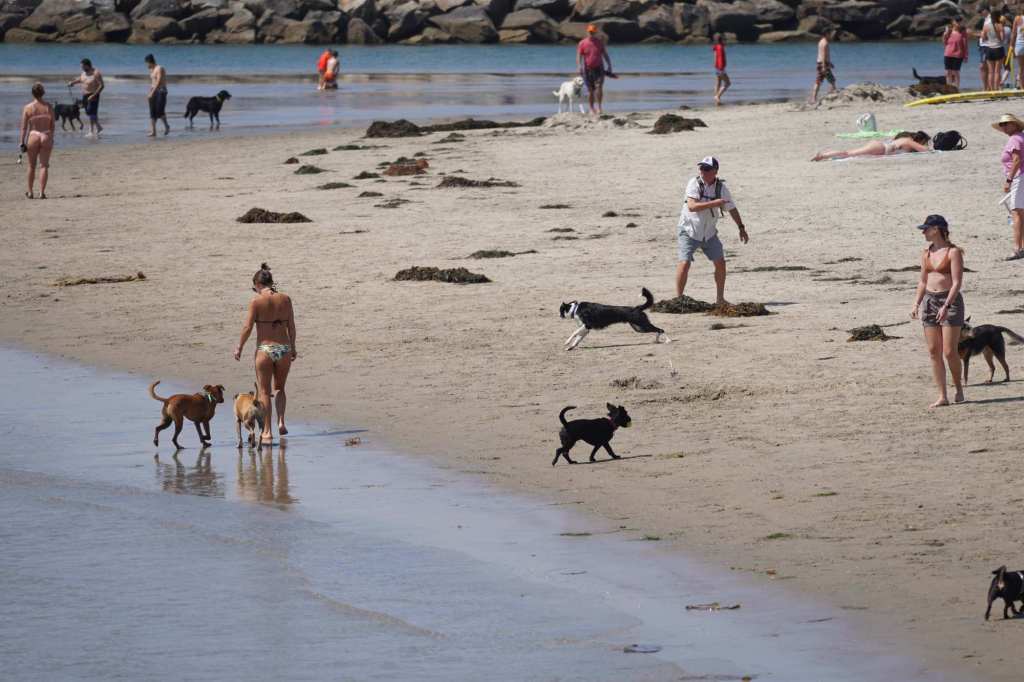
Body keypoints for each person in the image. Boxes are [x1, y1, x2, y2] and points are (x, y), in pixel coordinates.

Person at [234, 263, 298, 445]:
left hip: (265, 349)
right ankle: (281, 421)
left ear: (257, 284)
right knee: (280, 388)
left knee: (264, 392)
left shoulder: (256, 301)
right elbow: (291, 326)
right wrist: (293, 347)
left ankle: (267, 432)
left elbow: (247, 327)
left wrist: (239, 347)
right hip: (283, 349)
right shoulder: (285, 299)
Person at [675, 156, 749, 305]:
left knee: (720, 263)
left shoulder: (721, 188)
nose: (702, 171)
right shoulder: (694, 183)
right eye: (701, 168)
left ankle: (720, 299)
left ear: (715, 171)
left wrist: (741, 227)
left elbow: (732, 209)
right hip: (689, 230)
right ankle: (679, 299)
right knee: (685, 263)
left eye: (706, 169)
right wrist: (714, 203)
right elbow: (692, 206)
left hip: (709, 233)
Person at [910, 214, 965, 408]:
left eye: (926, 229)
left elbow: (957, 283)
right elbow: (922, 281)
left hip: (950, 302)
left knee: (949, 351)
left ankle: (958, 388)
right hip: (929, 301)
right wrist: (916, 303)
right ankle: (942, 395)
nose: (923, 232)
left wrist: (946, 306)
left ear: (936, 229)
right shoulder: (926, 252)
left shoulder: (953, 252)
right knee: (934, 351)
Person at [994, 113, 1024, 259]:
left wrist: (1009, 180)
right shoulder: (1020, 137)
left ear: (1015, 124)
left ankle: (1018, 248)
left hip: (1019, 177)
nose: (1003, 127)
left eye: (1006, 124)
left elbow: (1017, 160)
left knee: (1016, 213)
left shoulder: (1015, 139)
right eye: (1002, 125)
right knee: (1020, 213)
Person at [18, 82, 55, 200]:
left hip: (33, 135)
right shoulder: (49, 107)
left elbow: (24, 127)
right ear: (43, 93)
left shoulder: (28, 107)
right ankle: (42, 193)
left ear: (32, 93)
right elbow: (52, 125)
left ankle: (30, 192)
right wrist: (51, 138)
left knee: (31, 166)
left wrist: (21, 142)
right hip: (46, 135)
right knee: (44, 166)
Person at [811, 130, 931, 161]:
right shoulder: (908, 141)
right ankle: (823, 155)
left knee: (849, 153)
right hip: (881, 148)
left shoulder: (903, 139)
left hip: (880, 145)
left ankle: (825, 155)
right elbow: (925, 150)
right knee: (848, 153)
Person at [576, 24, 612, 115]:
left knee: (599, 87)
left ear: (595, 32)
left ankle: (599, 107)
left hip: (599, 68)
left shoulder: (599, 42)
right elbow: (579, 56)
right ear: (587, 32)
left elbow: (605, 54)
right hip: (587, 69)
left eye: (593, 32)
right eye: (590, 32)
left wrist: (609, 65)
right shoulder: (582, 43)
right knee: (590, 90)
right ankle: (591, 108)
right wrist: (579, 66)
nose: (591, 33)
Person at [68, 58, 104, 138]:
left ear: (87, 65)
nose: (81, 68)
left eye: (82, 66)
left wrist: (93, 95)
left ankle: (91, 131)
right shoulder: (84, 73)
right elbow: (80, 79)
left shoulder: (96, 73)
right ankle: (98, 126)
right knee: (88, 112)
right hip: (85, 95)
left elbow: (102, 86)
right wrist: (72, 83)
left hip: (94, 94)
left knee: (91, 112)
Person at [145, 54, 169, 137]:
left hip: (161, 91)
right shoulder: (151, 69)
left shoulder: (159, 68)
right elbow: (153, 82)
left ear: (150, 62)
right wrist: (150, 92)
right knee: (152, 112)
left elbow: (158, 82)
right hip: (153, 90)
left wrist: (152, 92)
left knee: (159, 111)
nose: (146, 65)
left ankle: (166, 126)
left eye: (147, 63)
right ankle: (153, 131)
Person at [810, 30, 837, 103]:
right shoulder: (825, 43)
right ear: (827, 34)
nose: (831, 35)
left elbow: (822, 54)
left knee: (818, 81)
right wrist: (824, 66)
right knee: (832, 80)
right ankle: (833, 95)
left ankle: (813, 98)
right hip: (823, 64)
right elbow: (824, 55)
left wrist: (830, 63)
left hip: (820, 63)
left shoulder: (820, 42)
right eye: (830, 34)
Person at [980, 9, 1004, 91]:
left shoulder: (986, 26)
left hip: (989, 49)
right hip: (998, 48)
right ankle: (996, 89)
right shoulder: (1000, 25)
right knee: (997, 71)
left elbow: (983, 38)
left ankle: (991, 89)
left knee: (990, 72)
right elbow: (1002, 39)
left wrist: (989, 38)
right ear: (998, 17)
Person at [942, 17, 968, 90]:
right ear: (953, 22)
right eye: (957, 21)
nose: (958, 23)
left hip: (958, 54)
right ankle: (949, 88)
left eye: (960, 22)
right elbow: (944, 43)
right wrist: (945, 34)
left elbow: (965, 44)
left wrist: (966, 56)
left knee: (955, 72)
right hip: (948, 54)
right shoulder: (949, 31)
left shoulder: (963, 31)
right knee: (948, 72)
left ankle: (956, 88)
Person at [712, 33, 730, 106]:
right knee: (728, 83)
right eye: (723, 39)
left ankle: (717, 101)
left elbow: (715, 57)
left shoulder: (716, 46)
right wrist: (721, 67)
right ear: (721, 39)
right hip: (720, 67)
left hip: (717, 67)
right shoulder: (720, 47)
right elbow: (720, 58)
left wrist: (716, 66)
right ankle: (717, 96)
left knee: (718, 83)